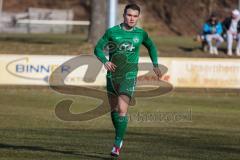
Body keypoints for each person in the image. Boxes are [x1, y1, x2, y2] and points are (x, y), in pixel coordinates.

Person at [94, 3, 162, 158]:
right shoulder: (112, 32)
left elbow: (151, 47)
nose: (132, 19)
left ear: (138, 17)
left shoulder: (141, 34)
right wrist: (105, 61)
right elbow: (97, 48)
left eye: (135, 16)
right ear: (124, 15)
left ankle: (117, 143)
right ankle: (119, 134)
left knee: (122, 109)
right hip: (112, 75)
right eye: (129, 15)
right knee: (114, 110)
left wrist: (155, 64)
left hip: (129, 75)